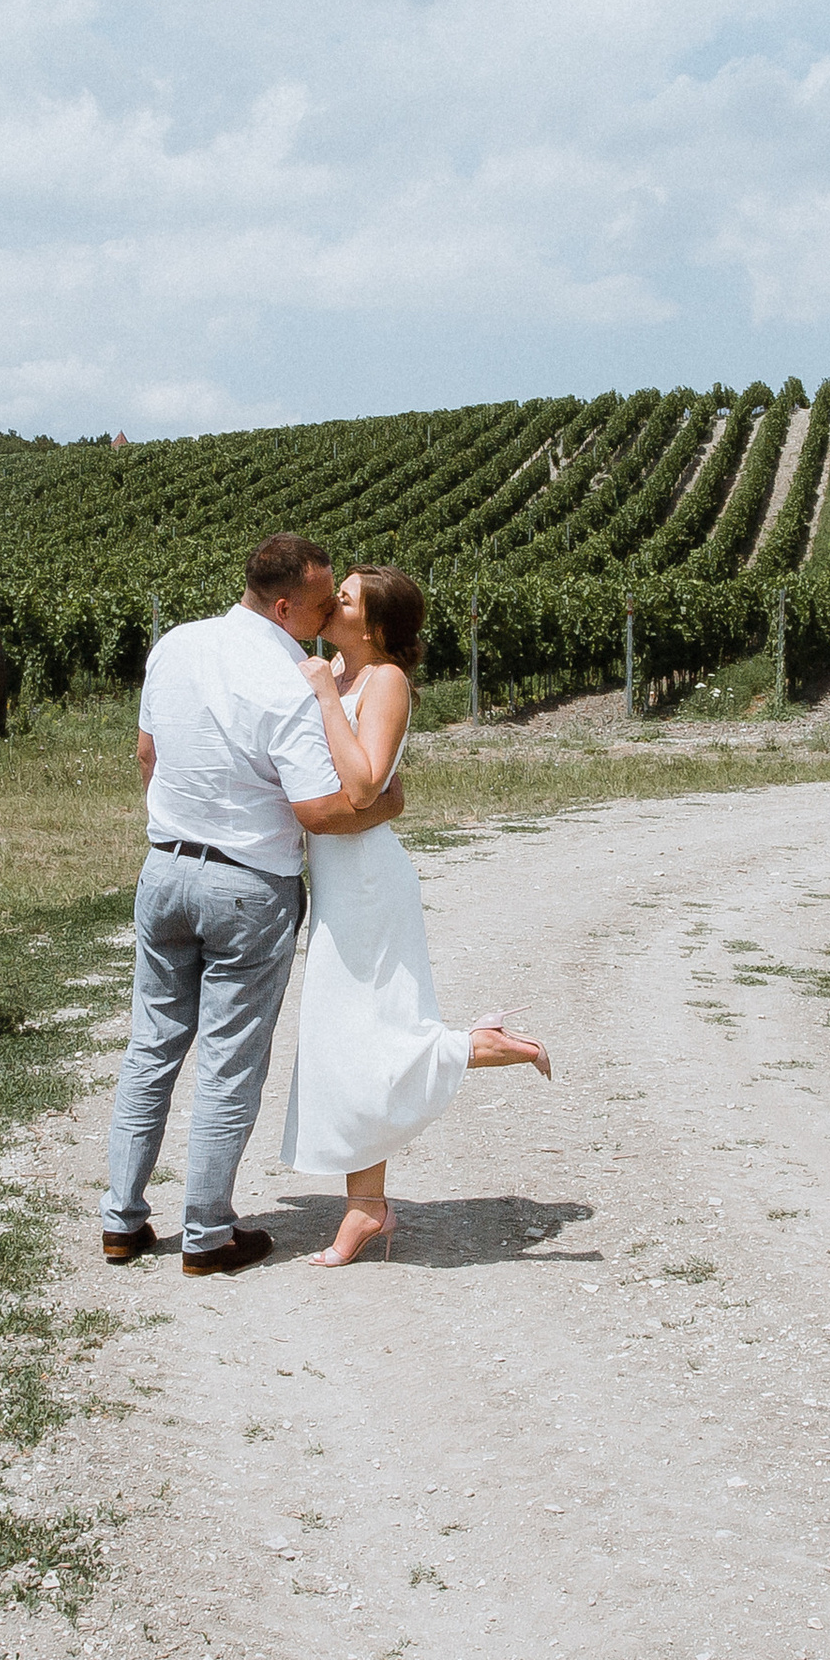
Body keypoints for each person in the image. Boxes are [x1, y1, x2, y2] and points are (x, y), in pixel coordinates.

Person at [102, 533, 401, 1276]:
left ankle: (122, 1221)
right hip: (247, 887)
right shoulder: (287, 679)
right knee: (230, 1063)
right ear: (284, 605)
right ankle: (206, 1234)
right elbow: (318, 810)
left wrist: (183, 826)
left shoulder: (174, 643)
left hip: (164, 869)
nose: (332, 608)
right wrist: (384, 804)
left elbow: (147, 754)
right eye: (323, 599)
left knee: (151, 1047)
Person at [280, 565, 551, 1268]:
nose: (330, 600)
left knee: (366, 1030)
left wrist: (320, 695)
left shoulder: (383, 680)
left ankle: (473, 1047)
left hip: (367, 879)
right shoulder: (337, 670)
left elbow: (367, 782)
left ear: (372, 626)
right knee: (342, 1037)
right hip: (338, 876)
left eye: (345, 597)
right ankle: (366, 1206)